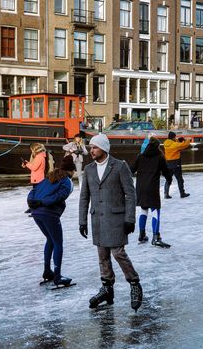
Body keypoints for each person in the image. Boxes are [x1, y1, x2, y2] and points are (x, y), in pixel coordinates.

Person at [79, 134, 143, 312]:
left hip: (116, 219)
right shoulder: (89, 169)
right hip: (98, 220)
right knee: (103, 256)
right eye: (90, 147)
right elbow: (84, 196)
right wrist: (82, 221)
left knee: (118, 253)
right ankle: (107, 289)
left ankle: (134, 284)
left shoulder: (119, 166)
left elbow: (130, 194)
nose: (91, 151)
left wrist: (130, 218)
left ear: (104, 148)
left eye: (94, 147)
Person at [27, 155, 76, 287]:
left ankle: (47, 271)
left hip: (36, 212)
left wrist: (32, 202)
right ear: (71, 171)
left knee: (50, 239)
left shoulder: (49, 176)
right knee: (58, 242)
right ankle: (57, 276)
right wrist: (42, 202)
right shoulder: (67, 182)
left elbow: (34, 190)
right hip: (48, 213)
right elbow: (59, 197)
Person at [131, 137, 172, 247]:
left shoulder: (140, 156)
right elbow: (166, 171)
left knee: (144, 210)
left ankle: (141, 234)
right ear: (157, 147)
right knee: (155, 211)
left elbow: (131, 170)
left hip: (140, 188)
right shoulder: (159, 157)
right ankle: (155, 237)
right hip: (152, 188)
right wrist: (169, 179)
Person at [163, 131, 191, 199]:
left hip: (168, 164)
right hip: (176, 164)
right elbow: (184, 145)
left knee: (168, 179)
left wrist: (178, 140)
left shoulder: (166, 144)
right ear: (173, 137)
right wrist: (186, 140)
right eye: (175, 137)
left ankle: (166, 194)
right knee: (179, 179)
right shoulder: (174, 145)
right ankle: (182, 193)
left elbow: (175, 143)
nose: (176, 138)